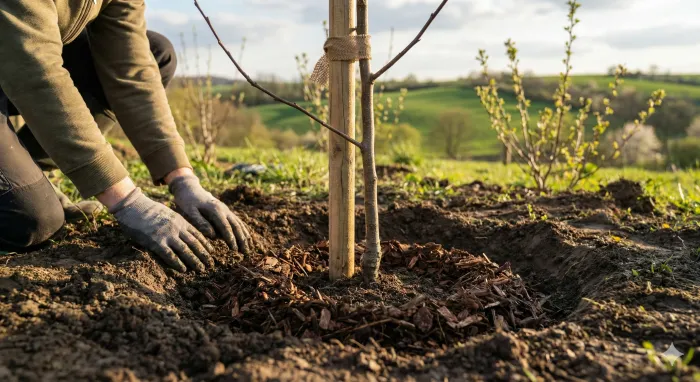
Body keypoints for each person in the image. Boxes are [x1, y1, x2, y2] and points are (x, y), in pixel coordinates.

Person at [0, 0, 253, 272]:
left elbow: (130, 68)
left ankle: (31, 173)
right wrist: (127, 200)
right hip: (20, 58)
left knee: (156, 53)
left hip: (16, 55)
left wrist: (182, 178)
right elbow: (36, 72)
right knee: (32, 221)